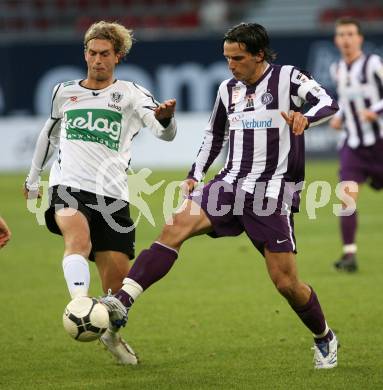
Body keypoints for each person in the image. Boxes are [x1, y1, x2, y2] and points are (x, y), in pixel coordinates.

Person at [102, 22, 340, 369]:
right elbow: (213, 136)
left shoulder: (288, 78)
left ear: (259, 55)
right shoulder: (227, 89)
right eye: (227, 58)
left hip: (270, 192)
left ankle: (324, 337)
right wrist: (194, 176)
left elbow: (328, 102)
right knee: (174, 228)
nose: (231, 65)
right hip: (228, 184)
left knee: (286, 283)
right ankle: (122, 301)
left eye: (238, 58)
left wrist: (305, 116)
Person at [23, 21, 177, 365]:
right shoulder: (64, 92)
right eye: (92, 53)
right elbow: (49, 136)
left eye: (105, 54)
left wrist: (166, 119)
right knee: (76, 239)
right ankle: (79, 303)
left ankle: (110, 334)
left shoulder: (132, 94)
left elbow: (163, 132)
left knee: (116, 292)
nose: (97, 60)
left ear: (117, 57)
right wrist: (34, 178)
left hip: (112, 195)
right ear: (85, 54)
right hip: (68, 185)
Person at [329, 17, 383, 272]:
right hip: (353, 146)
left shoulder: (372, 64)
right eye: (341, 34)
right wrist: (339, 117)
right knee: (346, 199)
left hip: (380, 143)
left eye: (351, 33)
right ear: (336, 40)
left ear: (360, 38)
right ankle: (349, 255)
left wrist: (375, 110)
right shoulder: (337, 68)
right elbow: (344, 99)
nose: (346, 39)